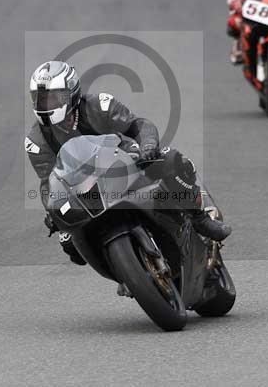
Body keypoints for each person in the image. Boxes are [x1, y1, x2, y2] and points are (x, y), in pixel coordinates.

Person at [24, 61, 231, 265]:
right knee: (72, 247)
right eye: (40, 99)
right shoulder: (36, 141)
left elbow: (138, 125)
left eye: (52, 98)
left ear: (70, 93)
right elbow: (48, 182)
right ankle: (123, 270)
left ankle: (199, 217)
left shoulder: (99, 105)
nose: (45, 105)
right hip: (83, 190)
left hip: (124, 162)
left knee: (171, 159)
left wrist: (148, 146)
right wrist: (53, 212)